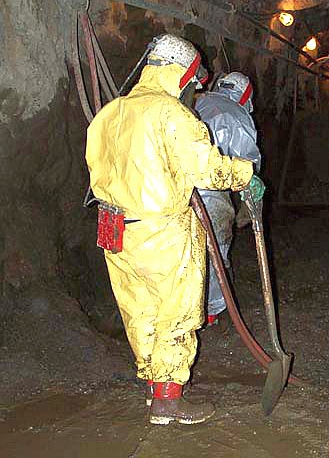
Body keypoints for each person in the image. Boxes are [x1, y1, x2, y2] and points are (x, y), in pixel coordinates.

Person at [85, 34, 258, 425]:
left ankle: (155, 390)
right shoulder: (172, 115)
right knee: (176, 312)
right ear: (181, 74)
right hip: (161, 230)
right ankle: (169, 400)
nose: (193, 91)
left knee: (139, 310)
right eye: (192, 82)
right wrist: (245, 175)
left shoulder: (108, 114)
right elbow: (208, 168)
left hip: (115, 230)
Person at [195, 72, 264, 326]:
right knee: (215, 249)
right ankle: (212, 311)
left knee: (188, 252)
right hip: (211, 193)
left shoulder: (197, 102)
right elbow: (246, 163)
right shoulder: (237, 115)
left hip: (179, 189)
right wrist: (252, 184)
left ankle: (186, 310)